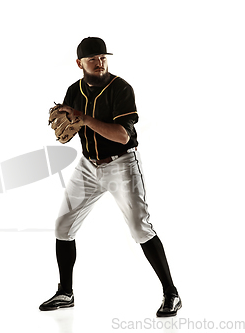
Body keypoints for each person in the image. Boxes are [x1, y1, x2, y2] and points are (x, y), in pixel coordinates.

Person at [39, 37, 182, 317]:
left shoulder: (121, 88)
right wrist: (69, 121)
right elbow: (70, 126)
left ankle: (171, 294)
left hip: (121, 164)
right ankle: (65, 293)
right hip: (88, 167)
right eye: (93, 58)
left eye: (103, 56)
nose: (100, 62)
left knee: (140, 229)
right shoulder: (74, 90)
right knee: (62, 226)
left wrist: (84, 119)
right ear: (80, 63)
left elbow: (122, 135)